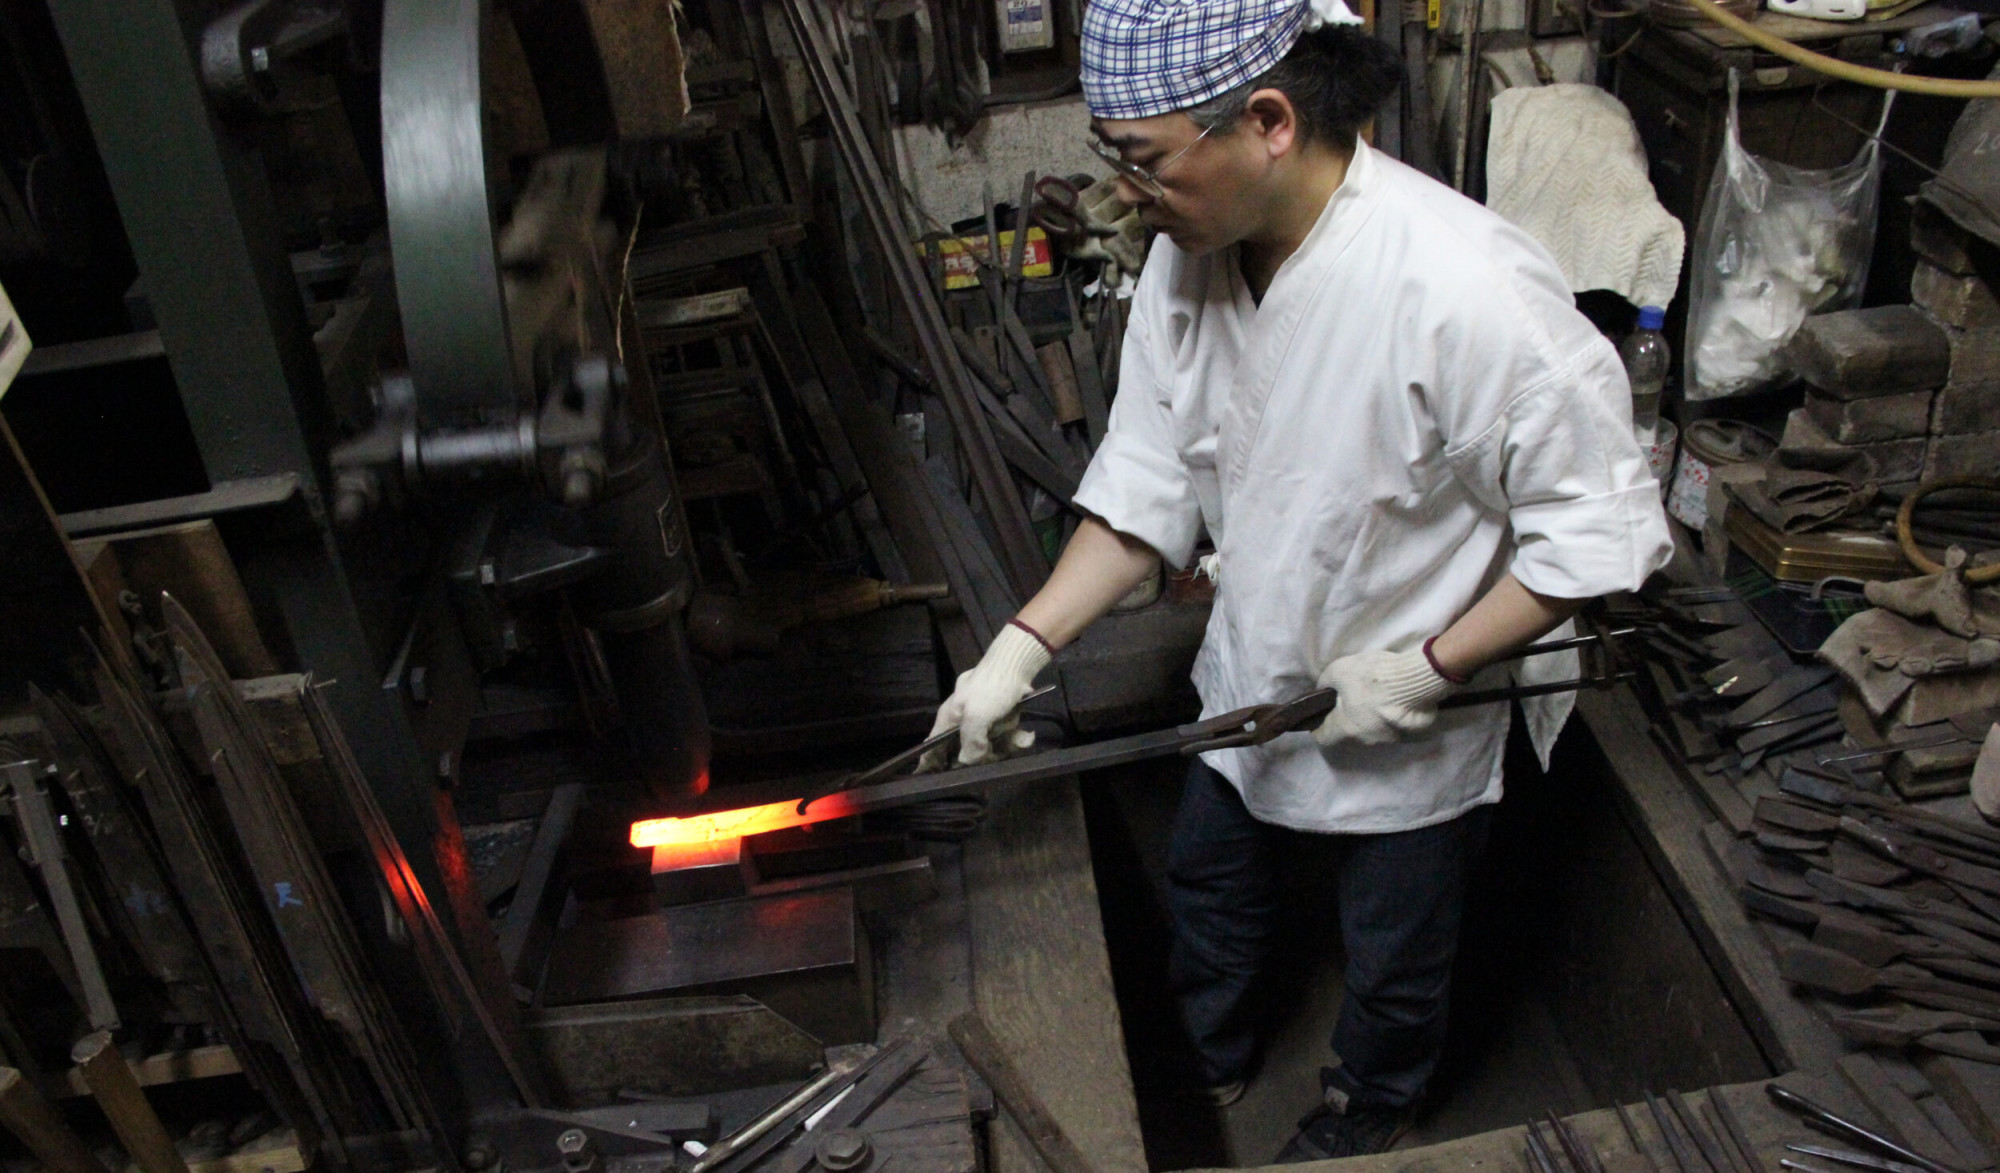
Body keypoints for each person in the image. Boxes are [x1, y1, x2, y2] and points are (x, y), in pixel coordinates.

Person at [923, 0, 1675, 1160]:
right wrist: (1017, 651)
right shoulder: (1193, 261)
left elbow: (1597, 532)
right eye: (1112, 162)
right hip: (1250, 671)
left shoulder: (1463, 288)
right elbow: (1148, 482)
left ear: (1266, 120)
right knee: (1211, 894)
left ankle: (1366, 1118)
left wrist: (1426, 669)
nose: (1125, 195)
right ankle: (1202, 1065)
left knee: (1394, 953)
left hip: (1405, 697)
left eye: (1143, 162)